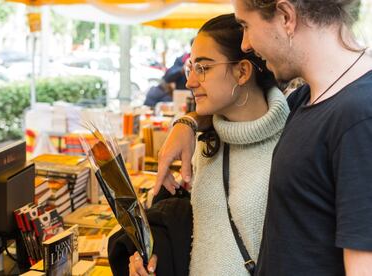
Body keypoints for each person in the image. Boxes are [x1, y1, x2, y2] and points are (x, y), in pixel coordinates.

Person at [155, 1, 372, 275]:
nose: (245, 44)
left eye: (246, 25)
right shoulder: (306, 101)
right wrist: (186, 123)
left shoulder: (359, 114)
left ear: (286, 16)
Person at [129, 13, 290, 275]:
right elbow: (202, 236)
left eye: (203, 68)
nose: (191, 81)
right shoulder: (206, 141)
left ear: (242, 71)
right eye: (190, 68)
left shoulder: (292, 143)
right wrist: (152, 256)